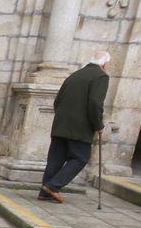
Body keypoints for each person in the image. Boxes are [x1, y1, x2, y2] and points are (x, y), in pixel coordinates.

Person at [40, 49, 110, 203]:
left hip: (61, 124)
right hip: (79, 128)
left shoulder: (75, 74)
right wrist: (98, 124)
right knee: (80, 158)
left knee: (55, 159)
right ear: (104, 64)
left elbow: (57, 100)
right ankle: (53, 186)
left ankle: (44, 191)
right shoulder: (101, 76)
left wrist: (62, 118)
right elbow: (95, 103)